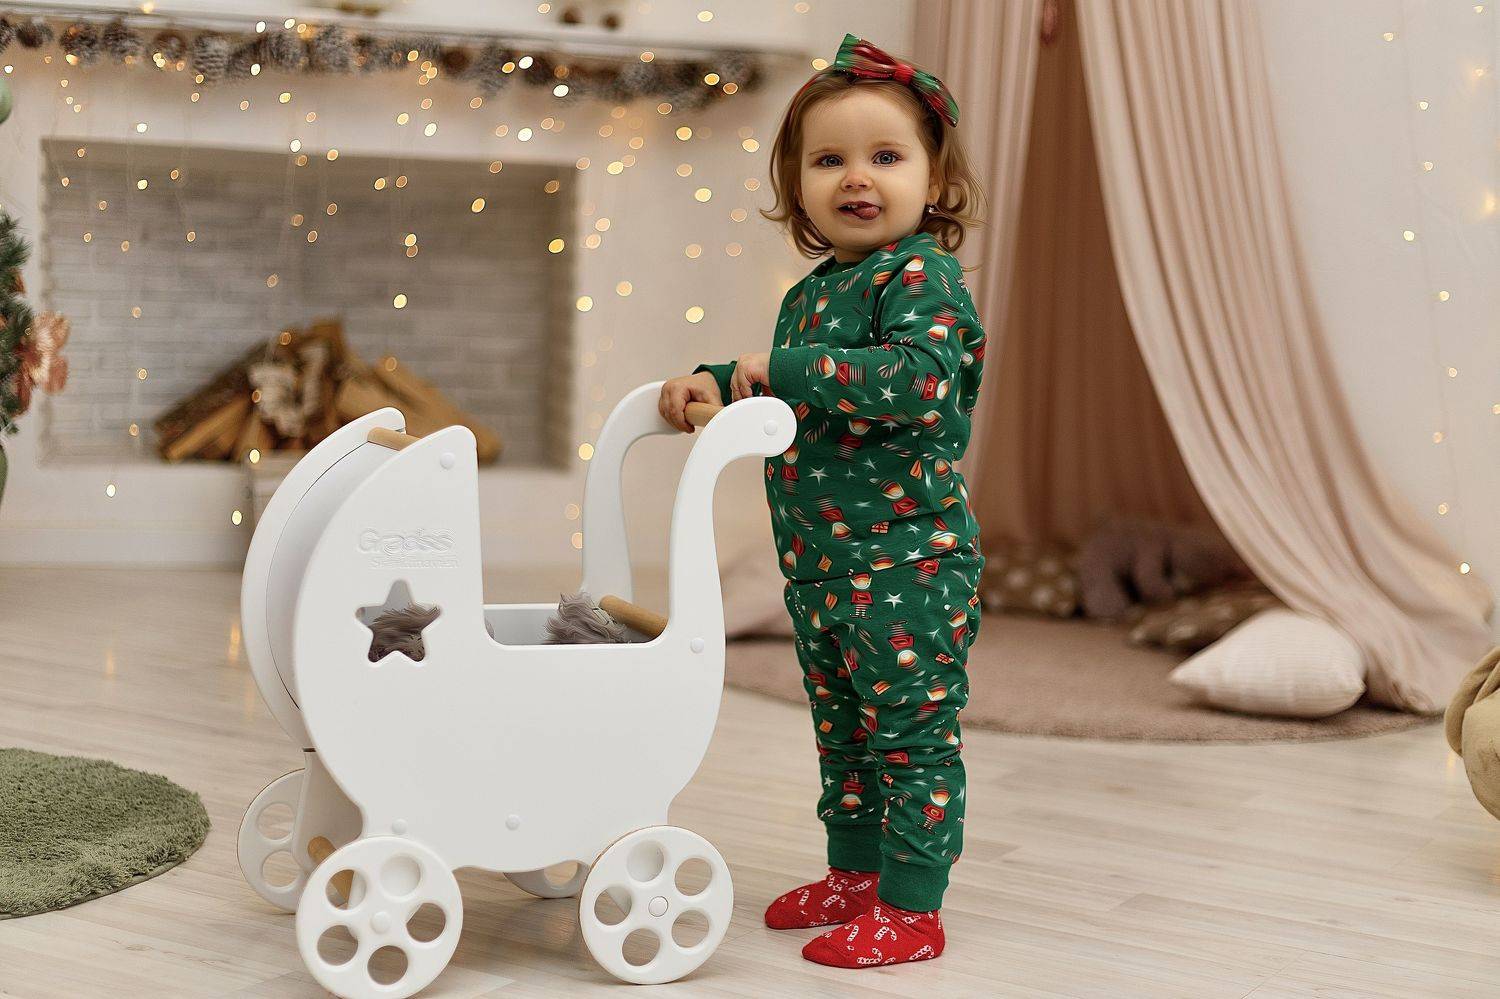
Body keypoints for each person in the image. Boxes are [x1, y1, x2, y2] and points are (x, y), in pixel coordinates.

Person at [658, 32, 988, 968]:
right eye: (829, 160)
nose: (857, 177)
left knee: (909, 739)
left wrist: (780, 366)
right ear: (796, 186)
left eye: (886, 156)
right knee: (842, 737)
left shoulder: (922, 277)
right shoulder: (811, 294)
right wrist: (713, 376)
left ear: (934, 180)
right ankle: (854, 872)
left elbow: (917, 379)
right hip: (821, 568)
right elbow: (783, 383)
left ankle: (913, 908)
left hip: (909, 562)